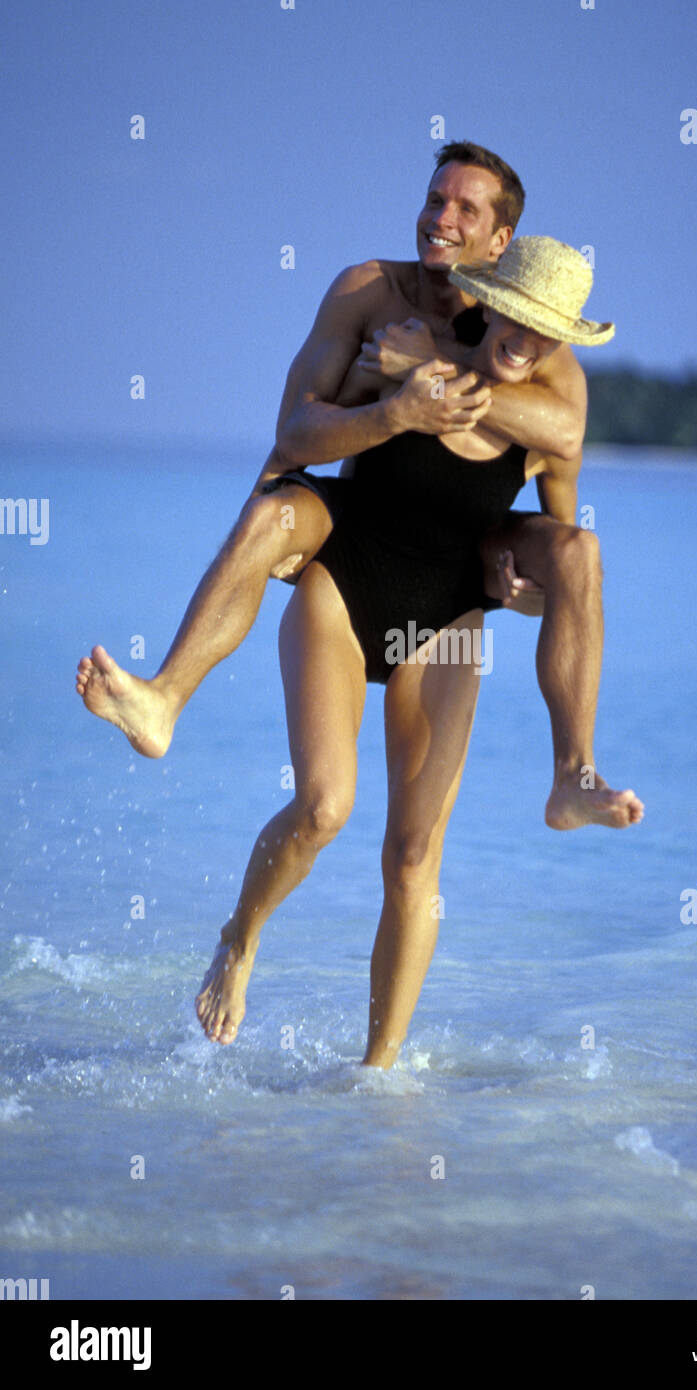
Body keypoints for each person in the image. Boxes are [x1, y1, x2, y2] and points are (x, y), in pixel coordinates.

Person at [76, 141, 638, 829]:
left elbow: (565, 460)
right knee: (322, 803)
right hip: (356, 540)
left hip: (457, 577)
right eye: (436, 199)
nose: (442, 218)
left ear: (500, 240)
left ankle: (572, 775)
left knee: (579, 551)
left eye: (466, 208)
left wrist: (430, 364)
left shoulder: (542, 356)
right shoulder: (369, 292)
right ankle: (162, 700)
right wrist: (395, 408)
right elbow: (295, 436)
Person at [194, 235, 642, 1067]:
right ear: (489, 300)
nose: (526, 338)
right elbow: (307, 438)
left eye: (548, 330)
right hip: (350, 585)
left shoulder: (547, 415)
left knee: (412, 855)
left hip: (446, 621)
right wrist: (280, 515)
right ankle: (241, 934)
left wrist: (523, 590)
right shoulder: (399, 349)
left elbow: (562, 574)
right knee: (322, 809)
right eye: (517, 315)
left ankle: (378, 1076)